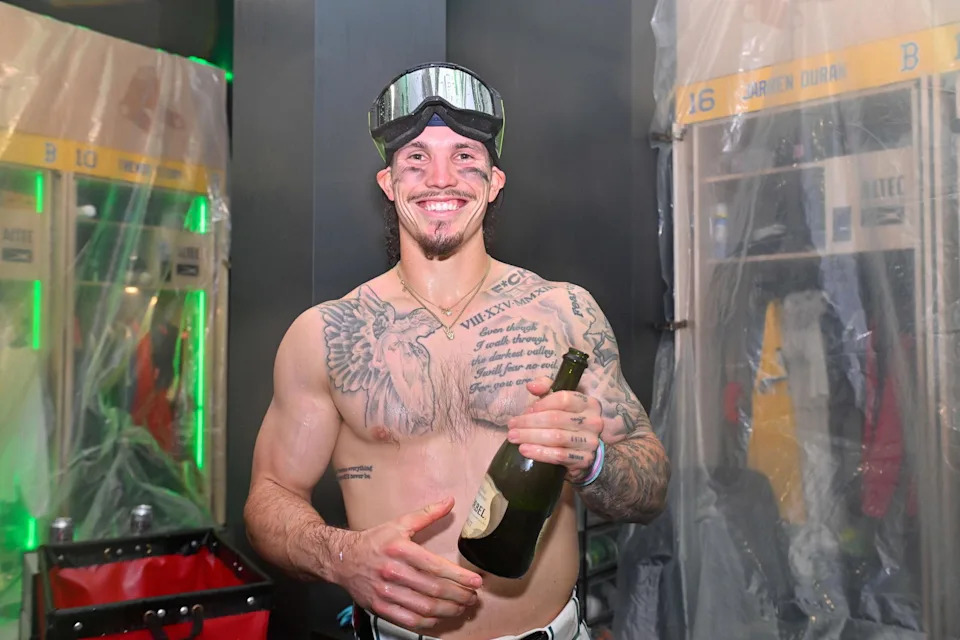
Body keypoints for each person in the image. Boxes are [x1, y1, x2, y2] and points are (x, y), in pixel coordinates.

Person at [244, 62, 670, 640]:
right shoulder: (327, 335)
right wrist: (341, 556)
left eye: (465, 157)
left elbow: (649, 485)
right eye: (416, 158)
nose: (440, 178)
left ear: (494, 182)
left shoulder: (566, 314)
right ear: (389, 184)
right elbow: (269, 498)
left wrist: (592, 460)